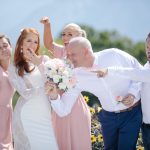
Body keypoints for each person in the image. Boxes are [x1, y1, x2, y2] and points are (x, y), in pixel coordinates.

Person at [48, 37, 143, 150]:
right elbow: (64, 110)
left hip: (131, 114)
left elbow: (139, 72)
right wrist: (54, 96)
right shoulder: (76, 75)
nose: (68, 58)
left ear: (86, 52)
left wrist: (132, 93)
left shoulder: (114, 55)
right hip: (108, 118)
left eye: (72, 54)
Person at [40, 17, 91, 150]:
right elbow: (49, 43)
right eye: (63, 34)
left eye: (70, 34)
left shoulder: (85, 56)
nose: (65, 37)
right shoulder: (62, 51)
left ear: (79, 37)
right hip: (57, 103)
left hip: (75, 106)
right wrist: (47, 25)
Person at [94, 33, 150, 150]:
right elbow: (139, 81)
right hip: (146, 126)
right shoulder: (146, 66)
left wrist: (109, 70)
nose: (148, 51)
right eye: (147, 47)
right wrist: (133, 94)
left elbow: (134, 74)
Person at [8, 28, 58, 150]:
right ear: (21, 43)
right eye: (29, 41)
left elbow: (55, 81)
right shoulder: (14, 67)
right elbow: (25, 93)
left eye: (35, 42)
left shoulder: (45, 60)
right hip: (27, 112)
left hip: (45, 112)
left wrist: (39, 64)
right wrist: (43, 88)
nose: (32, 45)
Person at [0, 35, 14, 150]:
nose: (3, 49)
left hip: (8, 116)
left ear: (11, 47)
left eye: (5, 45)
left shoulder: (12, 70)